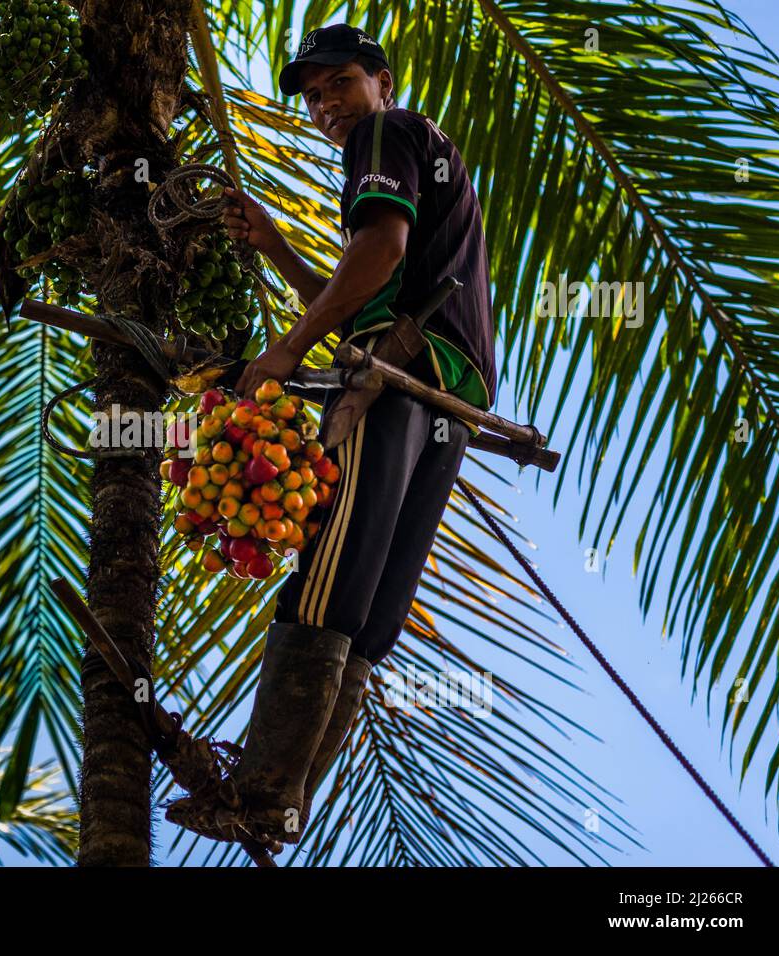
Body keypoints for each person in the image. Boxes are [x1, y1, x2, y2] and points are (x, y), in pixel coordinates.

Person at [164, 23, 498, 848]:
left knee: (325, 586)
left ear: (382, 81)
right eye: (313, 96)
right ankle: (277, 802)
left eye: (339, 84)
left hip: (391, 385)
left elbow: (379, 253)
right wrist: (278, 247)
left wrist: (285, 348)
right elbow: (375, 291)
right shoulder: (432, 149)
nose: (325, 107)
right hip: (447, 399)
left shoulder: (387, 132)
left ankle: (265, 782)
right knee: (370, 615)